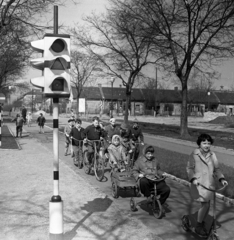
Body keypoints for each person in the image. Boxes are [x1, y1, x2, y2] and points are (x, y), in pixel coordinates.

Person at [187, 133, 228, 238]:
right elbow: (190, 168)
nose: (206, 145)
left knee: (208, 205)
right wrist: (193, 178)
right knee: (205, 205)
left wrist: (221, 178)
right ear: (199, 144)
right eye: (204, 143)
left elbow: (217, 169)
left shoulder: (212, 155)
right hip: (199, 184)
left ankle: (201, 220)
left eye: (209, 143)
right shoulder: (194, 154)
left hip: (209, 184)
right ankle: (198, 225)